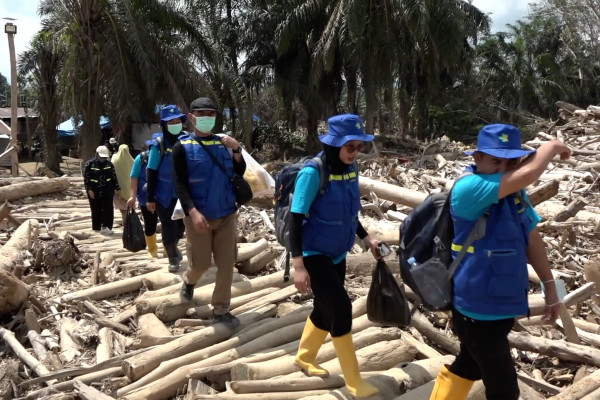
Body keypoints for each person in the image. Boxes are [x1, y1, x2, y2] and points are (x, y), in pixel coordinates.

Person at [429, 124, 572, 400]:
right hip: (476, 309)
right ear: (477, 158)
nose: (504, 169)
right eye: (496, 161)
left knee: (469, 364)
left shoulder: (514, 195)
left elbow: (533, 239)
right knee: (505, 391)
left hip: (502, 304)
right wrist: (553, 146)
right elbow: (529, 173)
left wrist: (550, 286)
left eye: (511, 162)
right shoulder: (469, 188)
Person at [290, 114, 381, 398]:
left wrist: (367, 238)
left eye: (359, 147)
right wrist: (298, 265)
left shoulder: (351, 170)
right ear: (334, 144)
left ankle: (304, 357)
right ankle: (353, 381)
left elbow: (349, 213)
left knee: (325, 307)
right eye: (349, 147)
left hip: (338, 252)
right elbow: (295, 220)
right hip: (313, 252)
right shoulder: (312, 173)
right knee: (341, 307)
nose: (355, 152)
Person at [173, 96, 245, 329]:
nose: (207, 118)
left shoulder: (224, 143)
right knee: (201, 265)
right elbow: (180, 184)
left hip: (226, 214)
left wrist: (237, 149)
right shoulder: (182, 147)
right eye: (202, 114)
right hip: (199, 217)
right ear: (191, 118)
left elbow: (239, 171)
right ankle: (189, 281)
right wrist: (192, 212)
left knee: (227, 263)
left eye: (211, 114)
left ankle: (221, 309)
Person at [146, 105, 187, 272]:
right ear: (164, 125)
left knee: (181, 227)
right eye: (171, 122)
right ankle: (172, 258)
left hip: (184, 193)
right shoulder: (158, 145)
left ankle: (174, 247)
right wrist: (150, 198)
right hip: (164, 194)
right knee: (168, 225)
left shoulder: (187, 141)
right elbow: (151, 171)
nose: (175, 124)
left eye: (177, 121)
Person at [127, 148, 159, 258]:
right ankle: (152, 249)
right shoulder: (141, 158)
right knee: (150, 223)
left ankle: (169, 248)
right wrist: (132, 196)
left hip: (165, 196)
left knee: (170, 223)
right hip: (145, 197)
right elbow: (134, 177)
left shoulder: (167, 155)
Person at [83, 145, 121, 235]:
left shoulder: (109, 164)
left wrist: (118, 189)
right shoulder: (90, 164)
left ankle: (106, 227)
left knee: (108, 210)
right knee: (95, 209)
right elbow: (86, 178)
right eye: (101, 157)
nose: (102, 159)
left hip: (107, 190)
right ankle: (96, 227)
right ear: (97, 154)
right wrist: (89, 189)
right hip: (94, 191)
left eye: (104, 157)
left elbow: (114, 177)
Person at [111, 144, 134, 226]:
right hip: (130, 189)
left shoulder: (114, 160)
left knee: (123, 211)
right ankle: (128, 227)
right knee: (128, 209)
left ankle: (125, 226)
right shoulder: (132, 160)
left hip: (118, 190)